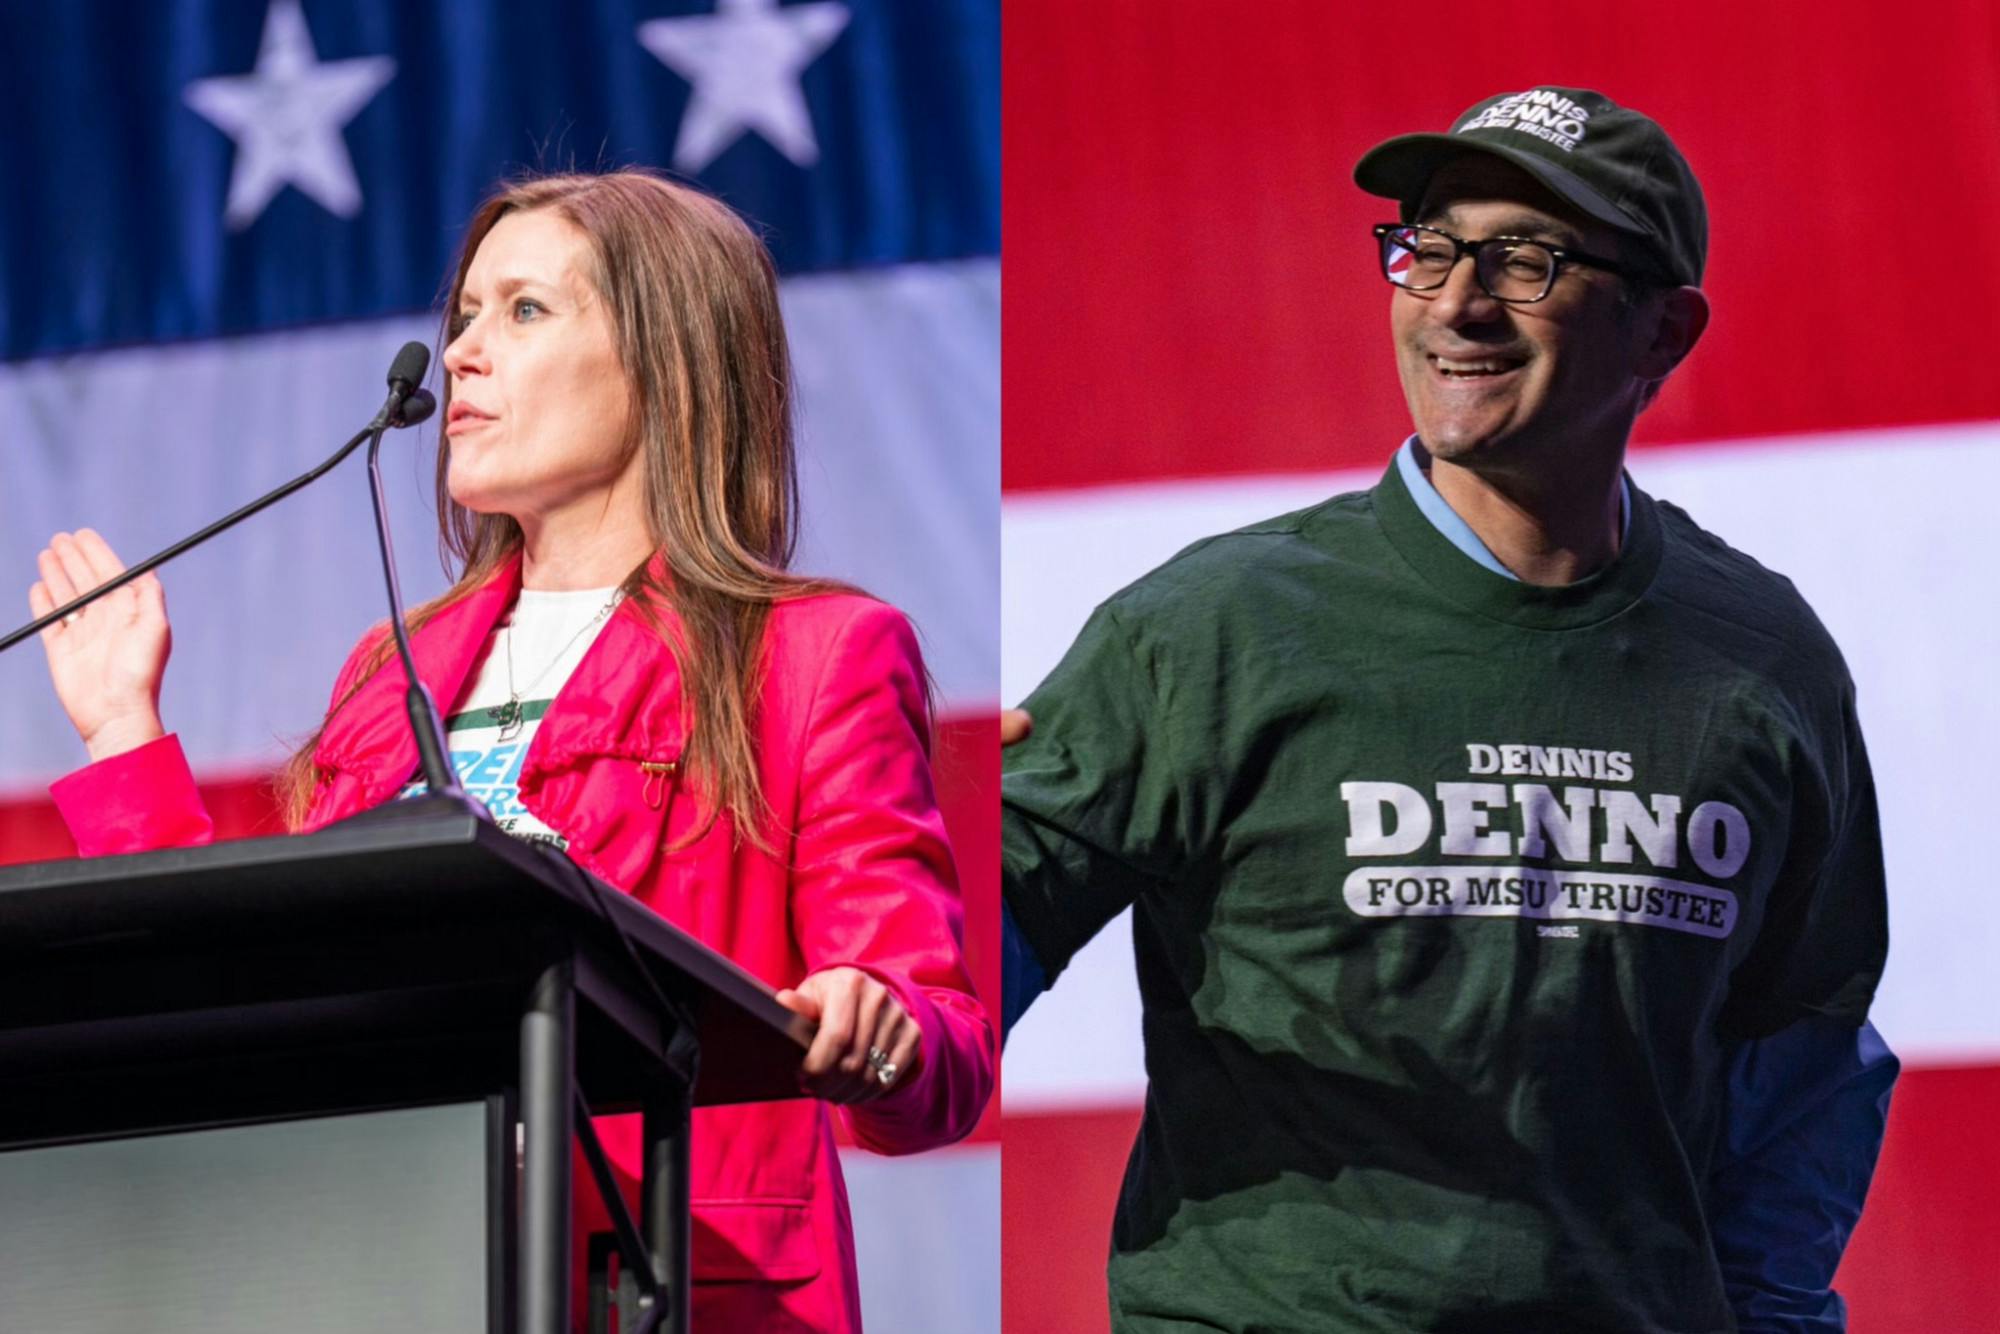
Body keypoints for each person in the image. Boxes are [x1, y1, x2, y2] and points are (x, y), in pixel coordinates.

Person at [29, 170, 993, 1332]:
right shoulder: (389, 674)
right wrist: (122, 733)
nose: (462, 358)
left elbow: (937, 1054)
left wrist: (876, 1021)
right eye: (466, 316)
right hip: (394, 1269)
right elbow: (271, 995)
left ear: (666, 363)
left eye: (525, 311)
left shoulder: (813, 654)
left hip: (662, 1279)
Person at [1001, 88, 1897, 1332]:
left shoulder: (1763, 655)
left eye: (1526, 260)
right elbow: (953, 957)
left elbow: (1801, 1060)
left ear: (1663, 332)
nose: (1455, 302)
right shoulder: (1206, 626)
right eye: (1426, 246)